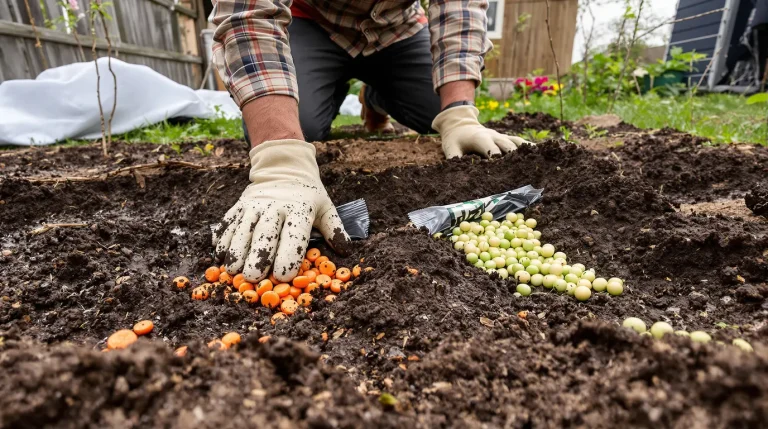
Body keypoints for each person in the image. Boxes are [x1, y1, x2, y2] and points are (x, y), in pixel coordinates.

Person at [210, 0, 528, 283]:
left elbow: (460, 5)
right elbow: (247, 12)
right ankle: (323, 86)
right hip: (312, 21)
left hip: (397, 29)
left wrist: (459, 112)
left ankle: (376, 97)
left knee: (437, 107)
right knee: (300, 123)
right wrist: (280, 156)